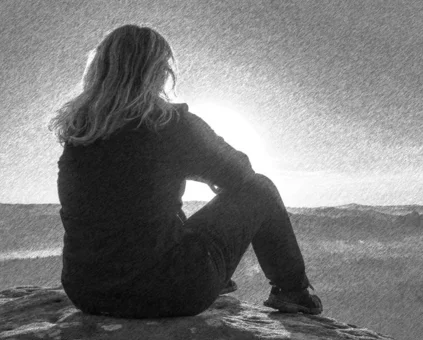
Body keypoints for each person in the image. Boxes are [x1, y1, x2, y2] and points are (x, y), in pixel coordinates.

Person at [48, 24, 322, 319]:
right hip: (168, 292)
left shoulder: (81, 133)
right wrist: (207, 175)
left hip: (88, 293)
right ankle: (292, 290)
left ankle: (207, 272)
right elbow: (241, 173)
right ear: (158, 72)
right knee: (260, 189)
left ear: (100, 70)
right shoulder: (169, 124)